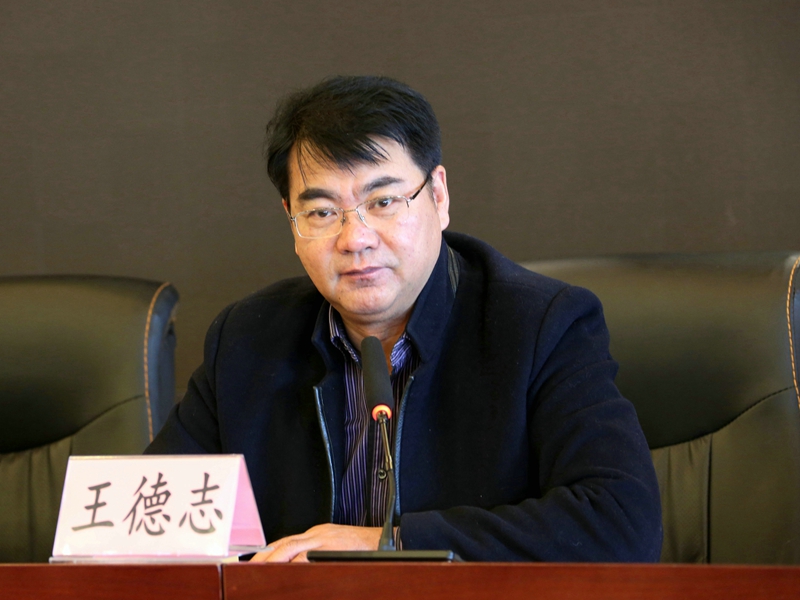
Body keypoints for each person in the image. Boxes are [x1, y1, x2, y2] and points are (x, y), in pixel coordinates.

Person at [146, 75, 662, 562]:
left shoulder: (539, 326)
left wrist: (390, 545)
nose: (355, 239)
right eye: (322, 212)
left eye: (384, 201)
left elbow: (621, 524)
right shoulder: (247, 339)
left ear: (438, 195)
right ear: (291, 219)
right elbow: (143, 527)